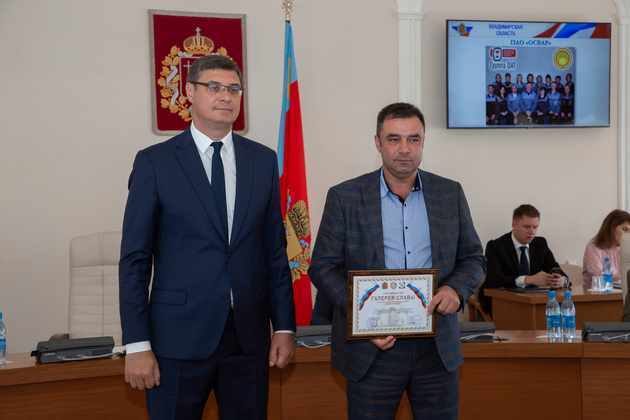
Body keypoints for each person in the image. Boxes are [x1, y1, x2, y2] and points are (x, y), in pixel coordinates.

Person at [119, 54, 297, 419]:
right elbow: (135, 260)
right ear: (189, 92)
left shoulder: (263, 160)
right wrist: (136, 343)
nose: (225, 96)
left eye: (234, 89)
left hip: (248, 339)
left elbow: (274, 253)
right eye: (213, 87)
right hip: (177, 340)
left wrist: (284, 326)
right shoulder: (155, 162)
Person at [308, 102, 486, 419]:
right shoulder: (345, 197)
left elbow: (474, 257)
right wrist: (360, 316)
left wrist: (456, 290)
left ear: (423, 142)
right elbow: (322, 266)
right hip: (372, 348)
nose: (404, 149)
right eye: (394, 139)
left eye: (413, 139)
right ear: (378, 143)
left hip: (436, 349)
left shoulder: (450, 193)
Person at [478, 204, 568, 315]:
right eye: (527, 227)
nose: (532, 232)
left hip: (530, 301)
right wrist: (528, 280)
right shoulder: (495, 246)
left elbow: (557, 270)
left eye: (535, 227)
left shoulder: (540, 244)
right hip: (500, 301)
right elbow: (495, 280)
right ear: (514, 224)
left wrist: (562, 281)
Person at [582, 210, 630, 287]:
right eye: (624, 229)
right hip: (598, 292)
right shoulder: (592, 249)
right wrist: (625, 277)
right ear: (611, 228)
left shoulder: (626, 249)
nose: (628, 234)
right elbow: (599, 275)